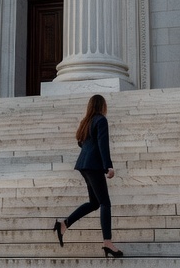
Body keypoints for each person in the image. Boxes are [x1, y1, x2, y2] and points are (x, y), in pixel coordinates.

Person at [53, 95, 123, 258]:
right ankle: (107, 243)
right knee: (105, 202)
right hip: (93, 166)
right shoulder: (100, 120)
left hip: (84, 165)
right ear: (102, 106)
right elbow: (102, 144)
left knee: (94, 203)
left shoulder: (86, 121)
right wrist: (108, 166)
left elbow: (81, 142)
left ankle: (64, 224)